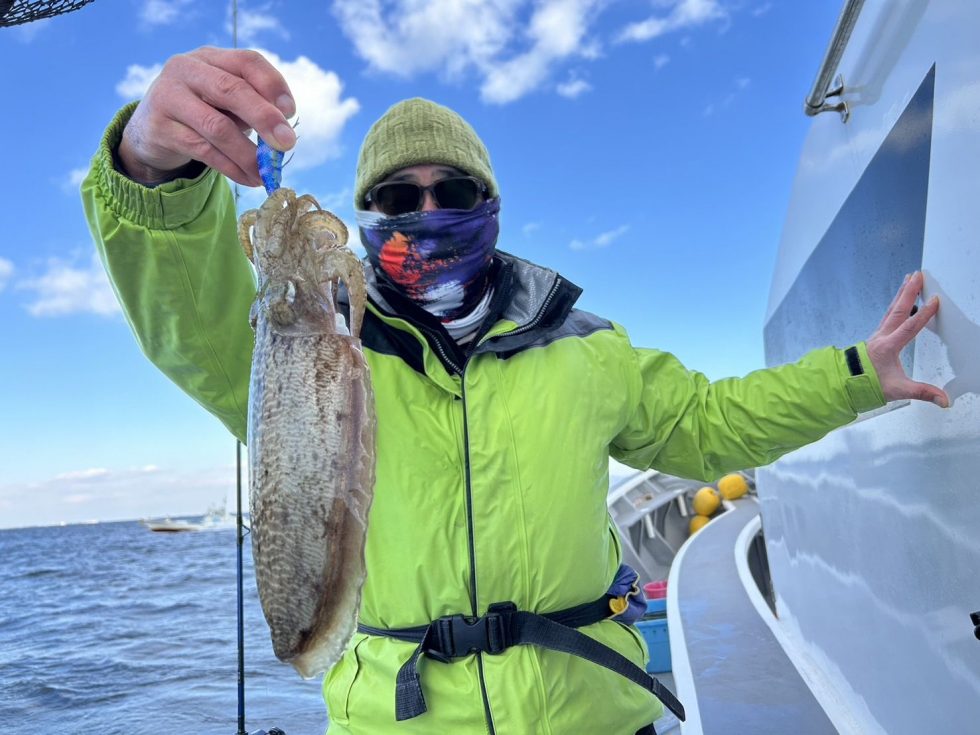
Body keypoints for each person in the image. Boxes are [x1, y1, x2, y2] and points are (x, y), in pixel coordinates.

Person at [82, 47, 948, 735]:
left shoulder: (587, 346)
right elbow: (189, 321)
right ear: (368, 213)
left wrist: (858, 375)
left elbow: (710, 422)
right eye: (396, 194)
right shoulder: (316, 347)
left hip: (593, 721)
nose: (426, 209)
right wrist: (153, 169)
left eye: (451, 189)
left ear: (490, 202)